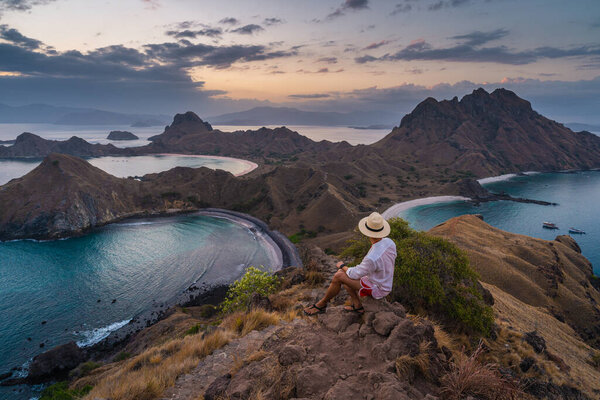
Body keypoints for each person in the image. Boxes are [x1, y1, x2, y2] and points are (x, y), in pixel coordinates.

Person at [304, 212, 397, 315]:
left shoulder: (372, 257)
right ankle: (357, 306)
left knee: (339, 275)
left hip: (378, 289)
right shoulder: (389, 242)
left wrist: (342, 266)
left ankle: (321, 304)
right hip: (384, 282)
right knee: (343, 274)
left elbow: (354, 274)